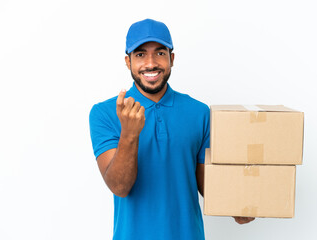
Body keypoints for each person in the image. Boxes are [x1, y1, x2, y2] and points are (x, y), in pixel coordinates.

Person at [89, 18, 254, 240]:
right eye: (140, 54)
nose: (150, 63)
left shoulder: (199, 112)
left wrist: (236, 206)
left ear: (171, 58)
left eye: (159, 53)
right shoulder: (105, 113)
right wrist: (129, 133)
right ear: (128, 62)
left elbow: (206, 182)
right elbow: (119, 186)